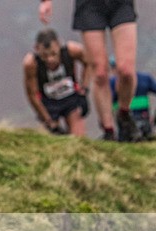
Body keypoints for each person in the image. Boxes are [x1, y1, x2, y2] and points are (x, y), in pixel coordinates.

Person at [39, 0, 139, 141]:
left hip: (121, 4)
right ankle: (108, 130)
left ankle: (124, 114)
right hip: (89, 5)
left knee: (126, 70)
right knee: (99, 72)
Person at [23, 29, 90, 136]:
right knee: (52, 139)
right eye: (45, 56)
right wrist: (48, 121)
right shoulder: (31, 63)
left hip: (70, 97)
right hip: (48, 102)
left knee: (79, 137)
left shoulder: (72, 50)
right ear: (36, 49)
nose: (50, 59)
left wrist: (84, 89)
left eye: (53, 54)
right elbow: (32, 94)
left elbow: (88, 63)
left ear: (59, 45)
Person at [110, 57, 156, 140]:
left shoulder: (112, 82)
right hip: (145, 123)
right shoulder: (145, 78)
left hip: (125, 128)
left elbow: (107, 106)